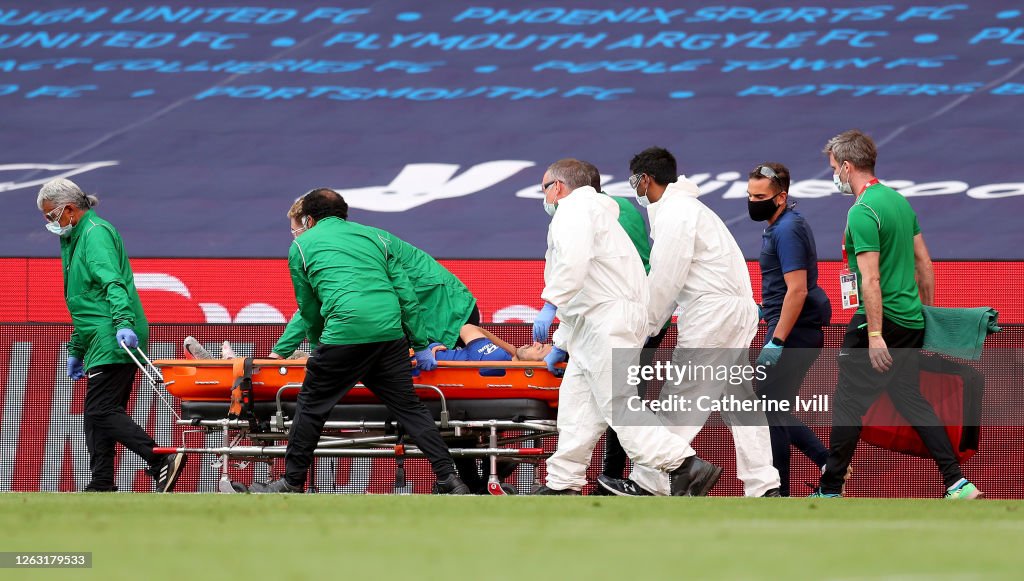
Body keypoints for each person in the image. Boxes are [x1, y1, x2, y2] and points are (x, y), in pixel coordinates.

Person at [249, 189, 470, 494]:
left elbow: (309, 309)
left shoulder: (301, 246)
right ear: (343, 214)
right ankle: (449, 478)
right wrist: (419, 343)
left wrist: (318, 346)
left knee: (311, 407)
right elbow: (404, 294)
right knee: (409, 408)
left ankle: (291, 482)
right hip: (390, 335)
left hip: (344, 336)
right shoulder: (376, 237)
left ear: (309, 219)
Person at [599, 147, 781, 497]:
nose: (632, 187)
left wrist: (644, 328)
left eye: (632, 181)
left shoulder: (676, 214)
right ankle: (764, 485)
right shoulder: (689, 209)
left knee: (679, 400)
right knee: (740, 404)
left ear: (644, 180)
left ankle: (648, 482)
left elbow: (665, 279)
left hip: (712, 314)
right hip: (735, 312)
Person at [532, 158, 719, 496]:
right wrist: (562, 340)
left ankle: (685, 465)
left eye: (544, 188)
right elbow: (590, 283)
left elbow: (573, 265)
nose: (543, 197)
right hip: (599, 323)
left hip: (605, 323)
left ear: (557, 187)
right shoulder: (598, 214)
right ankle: (563, 483)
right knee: (577, 407)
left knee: (618, 404)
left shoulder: (572, 211)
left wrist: (550, 304)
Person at [811, 130, 981, 499]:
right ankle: (957, 482)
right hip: (910, 321)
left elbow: (870, 279)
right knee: (909, 398)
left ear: (847, 166)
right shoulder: (899, 202)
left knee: (848, 404)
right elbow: (925, 264)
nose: (833, 175)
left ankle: (829, 490)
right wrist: (927, 317)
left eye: (834, 168)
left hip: (879, 324)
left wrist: (874, 336)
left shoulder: (863, 211)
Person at [37, 178, 186, 493]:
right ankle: (102, 481)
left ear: (70, 210)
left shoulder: (94, 234)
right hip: (97, 335)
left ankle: (161, 458)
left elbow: (112, 283)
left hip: (112, 332)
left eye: (52, 215)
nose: (49, 222)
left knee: (100, 409)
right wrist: (77, 348)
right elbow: (84, 302)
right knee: (98, 415)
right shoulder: (75, 239)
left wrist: (123, 322)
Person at [273, 192, 480, 368]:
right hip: (435, 312)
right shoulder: (348, 239)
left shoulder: (336, 248)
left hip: (444, 312)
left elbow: (309, 309)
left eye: (295, 231)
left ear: (310, 222)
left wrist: (279, 355)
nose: (295, 238)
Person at [747, 162, 832, 497]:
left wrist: (777, 340)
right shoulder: (780, 225)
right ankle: (819, 466)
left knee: (769, 410)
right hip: (788, 328)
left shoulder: (787, 229)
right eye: (750, 195)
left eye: (760, 196)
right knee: (773, 409)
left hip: (794, 333)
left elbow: (797, 290)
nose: (753, 201)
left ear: (781, 197)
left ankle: (790, 483)